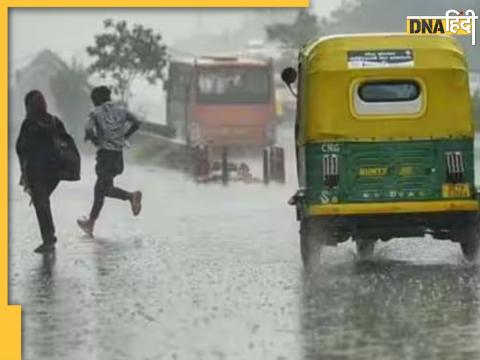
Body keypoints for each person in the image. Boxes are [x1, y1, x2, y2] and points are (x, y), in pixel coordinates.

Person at [77, 86, 142, 237]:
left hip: (105, 155)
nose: (94, 104)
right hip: (118, 156)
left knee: (102, 189)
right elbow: (137, 122)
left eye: (94, 101)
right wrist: (124, 137)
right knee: (101, 188)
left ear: (97, 99)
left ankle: (131, 196)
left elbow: (88, 129)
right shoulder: (121, 110)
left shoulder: (96, 112)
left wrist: (94, 140)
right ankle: (90, 223)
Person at [16, 90, 71, 253]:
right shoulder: (54, 121)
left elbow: (21, 148)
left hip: (37, 170)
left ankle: (48, 240)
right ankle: (49, 237)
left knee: (41, 203)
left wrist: (23, 169)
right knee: (43, 202)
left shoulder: (29, 124)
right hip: (53, 170)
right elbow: (66, 141)